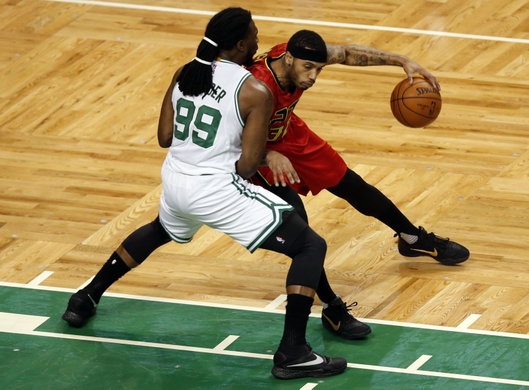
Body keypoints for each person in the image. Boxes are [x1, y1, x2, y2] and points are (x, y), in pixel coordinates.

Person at [62, 8, 364, 380]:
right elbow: (248, 167)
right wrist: (250, 161)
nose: (258, 41)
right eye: (254, 36)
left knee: (160, 230)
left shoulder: (187, 71)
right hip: (214, 189)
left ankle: (85, 297)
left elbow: (165, 138)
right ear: (241, 44)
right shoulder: (255, 89)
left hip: (175, 179)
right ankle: (293, 352)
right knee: (309, 246)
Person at [247, 30, 470, 268]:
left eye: (319, 69)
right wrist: (268, 156)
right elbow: (230, 141)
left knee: (352, 185)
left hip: (288, 132)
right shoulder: (256, 87)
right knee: (298, 223)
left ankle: (413, 238)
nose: (313, 76)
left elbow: (346, 53)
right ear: (289, 59)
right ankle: (321, 297)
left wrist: (402, 60)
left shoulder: (297, 54)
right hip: (256, 148)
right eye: (308, 68)